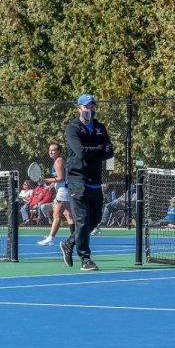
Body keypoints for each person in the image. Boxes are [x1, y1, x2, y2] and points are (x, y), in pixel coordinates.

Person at [60, 93, 114, 272]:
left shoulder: (99, 127)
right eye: (86, 106)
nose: (90, 109)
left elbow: (109, 151)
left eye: (92, 106)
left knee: (95, 218)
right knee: (82, 219)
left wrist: (97, 151)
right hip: (77, 180)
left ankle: (69, 243)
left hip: (95, 180)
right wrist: (98, 150)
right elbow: (80, 152)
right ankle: (85, 257)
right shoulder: (72, 128)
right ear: (79, 108)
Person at [38, 142, 74, 245]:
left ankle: (50, 238)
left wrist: (45, 180)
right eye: (50, 150)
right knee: (68, 215)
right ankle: (75, 237)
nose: (51, 152)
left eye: (53, 150)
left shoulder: (58, 161)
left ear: (58, 151)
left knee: (56, 215)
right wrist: (51, 185)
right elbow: (62, 179)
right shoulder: (58, 161)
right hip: (65, 189)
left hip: (63, 192)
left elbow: (61, 178)